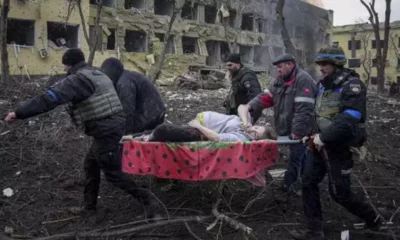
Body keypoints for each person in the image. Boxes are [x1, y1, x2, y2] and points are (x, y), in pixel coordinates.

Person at [4, 49, 155, 218]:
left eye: (65, 67)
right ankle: (89, 209)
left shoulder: (77, 80)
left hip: (106, 130)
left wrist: (19, 113)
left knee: (113, 174)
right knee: (91, 164)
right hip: (111, 127)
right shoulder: (96, 73)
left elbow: (49, 99)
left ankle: (149, 201)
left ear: (69, 65)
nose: (65, 70)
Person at [290, 46, 381, 240]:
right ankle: (314, 231)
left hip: (339, 148)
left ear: (337, 63)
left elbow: (350, 118)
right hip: (319, 145)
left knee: (340, 193)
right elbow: (319, 113)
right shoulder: (323, 85)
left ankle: (374, 219)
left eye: (325, 64)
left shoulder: (352, 85)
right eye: (320, 64)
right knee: (308, 182)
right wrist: (311, 134)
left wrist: (323, 138)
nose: (321, 68)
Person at [238, 53, 317, 195]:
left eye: (280, 67)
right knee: (302, 155)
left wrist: (297, 132)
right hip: (287, 127)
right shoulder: (279, 81)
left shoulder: (303, 80)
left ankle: (290, 186)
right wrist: (249, 106)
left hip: (302, 129)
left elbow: (304, 110)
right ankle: (305, 181)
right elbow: (266, 97)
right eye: (276, 68)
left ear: (290, 64)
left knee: (296, 157)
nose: (278, 70)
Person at [100, 57, 165, 135]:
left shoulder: (124, 83)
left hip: (150, 116)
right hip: (155, 113)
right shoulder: (127, 77)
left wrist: (125, 134)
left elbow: (127, 111)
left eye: (107, 74)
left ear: (115, 71)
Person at [135, 111, 276, 142]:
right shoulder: (245, 126)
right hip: (199, 126)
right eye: (257, 127)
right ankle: (134, 137)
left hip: (199, 133)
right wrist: (247, 123)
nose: (253, 130)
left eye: (255, 134)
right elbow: (243, 107)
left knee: (163, 129)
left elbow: (216, 137)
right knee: (157, 130)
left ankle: (144, 139)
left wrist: (198, 125)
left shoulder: (241, 138)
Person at [223, 53, 262, 123]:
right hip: (236, 111)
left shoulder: (248, 77)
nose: (228, 68)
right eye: (227, 65)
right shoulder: (237, 75)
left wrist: (248, 116)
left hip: (244, 113)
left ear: (238, 64)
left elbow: (255, 97)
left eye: (230, 65)